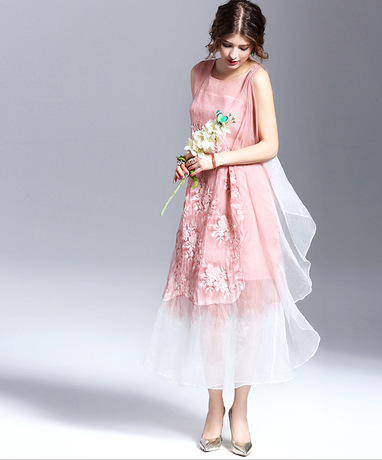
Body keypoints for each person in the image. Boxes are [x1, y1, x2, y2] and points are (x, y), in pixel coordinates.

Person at [143, 0, 320, 456]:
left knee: (248, 306)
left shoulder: (256, 79)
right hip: (204, 200)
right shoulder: (198, 73)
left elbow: (269, 145)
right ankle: (213, 406)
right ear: (214, 39)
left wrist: (216, 159)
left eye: (245, 46)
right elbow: (200, 135)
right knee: (211, 307)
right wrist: (188, 161)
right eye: (228, 44)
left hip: (245, 199)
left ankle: (240, 409)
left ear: (255, 45)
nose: (236, 54)